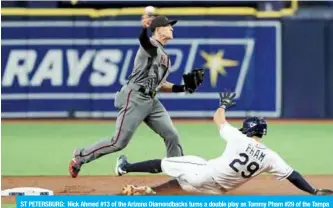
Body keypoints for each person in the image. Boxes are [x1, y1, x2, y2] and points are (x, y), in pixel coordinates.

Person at [116, 92, 333, 195]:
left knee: (169, 163)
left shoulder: (239, 138)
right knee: (180, 183)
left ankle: (124, 167)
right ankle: (148, 192)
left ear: (248, 129)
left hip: (206, 174)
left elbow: (218, 119)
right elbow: (293, 175)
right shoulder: (270, 156)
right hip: (218, 190)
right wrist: (313, 191)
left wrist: (224, 104)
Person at [68, 13, 205, 178]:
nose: (172, 27)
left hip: (151, 100)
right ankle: (80, 156)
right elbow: (144, 41)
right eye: (168, 25)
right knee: (118, 142)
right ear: (158, 29)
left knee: (171, 135)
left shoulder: (165, 57)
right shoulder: (151, 45)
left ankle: (179, 173)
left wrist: (182, 88)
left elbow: (160, 84)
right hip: (135, 97)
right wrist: (144, 29)